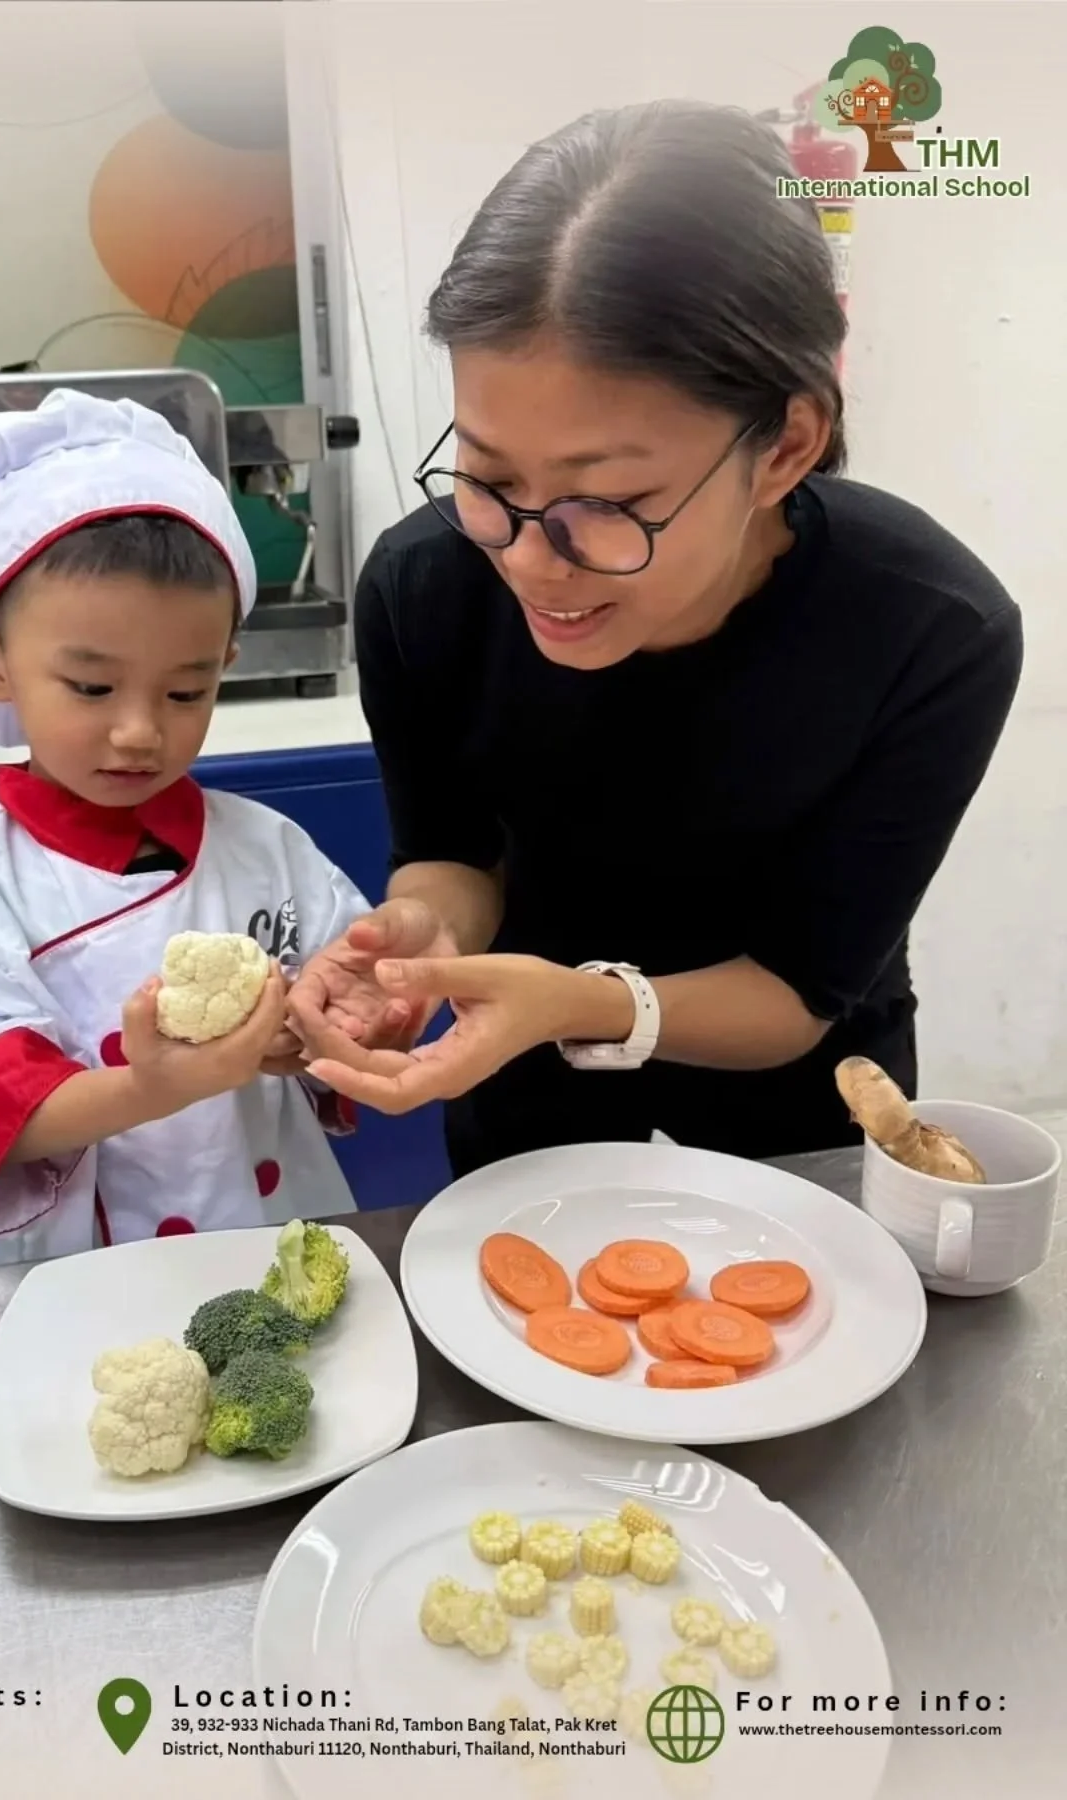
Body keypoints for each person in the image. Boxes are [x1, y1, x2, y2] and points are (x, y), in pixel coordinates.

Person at [289, 99, 1023, 1176]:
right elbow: (451, 851)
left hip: (797, 1103)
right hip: (529, 1077)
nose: (532, 562)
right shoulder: (426, 586)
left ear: (786, 446)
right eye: (489, 479)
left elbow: (799, 989)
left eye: (609, 502)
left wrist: (580, 1001)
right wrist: (423, 940)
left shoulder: (929, 631)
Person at [0, 389, 365, 1263]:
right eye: (92, 687)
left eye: (185, 691)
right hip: (89, 1275)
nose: (139, 731)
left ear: (224, 668)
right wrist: (158, 1084)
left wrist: (329, 1024)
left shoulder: (265, 846)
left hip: (276, 1230)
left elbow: (349, 1003)